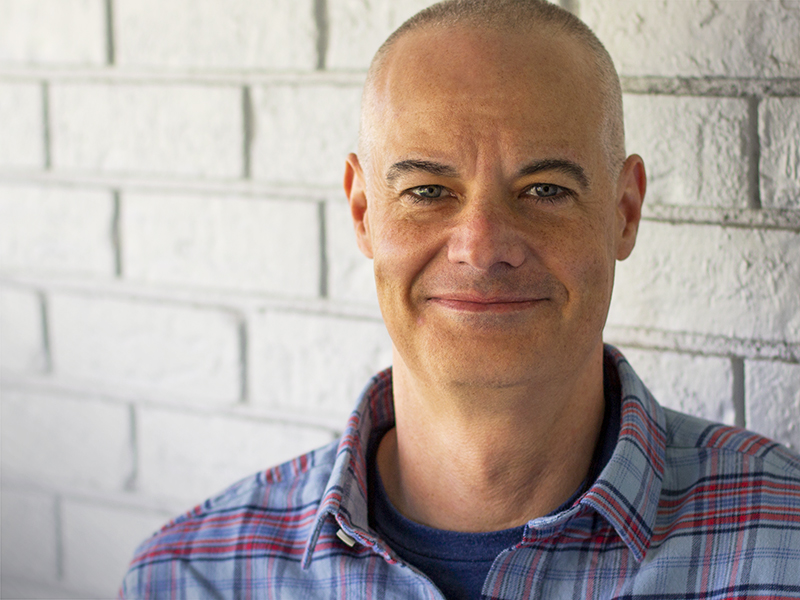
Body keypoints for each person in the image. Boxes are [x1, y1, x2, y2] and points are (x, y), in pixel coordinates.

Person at [121, 1, 800, 598]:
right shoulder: (190, 578)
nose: (481, 245)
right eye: (426, 191)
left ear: (624, 212)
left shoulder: (785, 542)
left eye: (544, 190)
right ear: (362, 212)